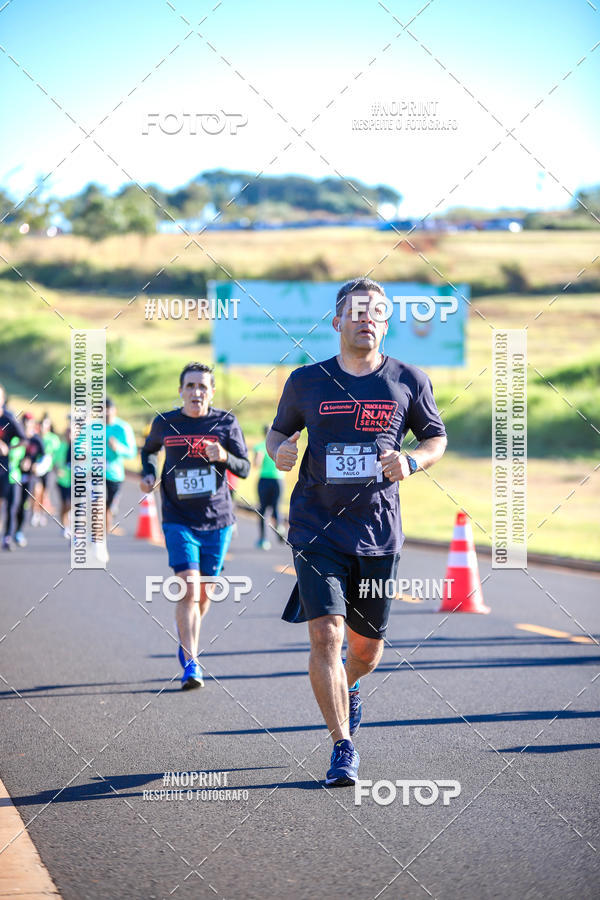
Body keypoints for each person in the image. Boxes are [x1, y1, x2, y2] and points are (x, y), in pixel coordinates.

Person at [267, 278, 447, 786]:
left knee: (366, 650)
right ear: (338, 321)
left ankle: (351, 687)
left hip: (377, 531)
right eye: (358, 311)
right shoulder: (306, 381)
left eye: (378, 312)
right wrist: (277, 450)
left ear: (386, 323)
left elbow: (436, 437)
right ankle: (342, 746)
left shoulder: (408, 379)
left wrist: (412, 461)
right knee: (326, 634)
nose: (368, 318)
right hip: (314, 527)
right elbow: (279, 430)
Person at [140, 362, 250, 689]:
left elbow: (243, 467)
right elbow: (148, 452)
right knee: (188, 587)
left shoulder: (226, 423)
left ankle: (186, 640)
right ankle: (192, 662)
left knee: (204, 594)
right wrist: (147, 472)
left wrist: (222, 457)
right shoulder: (165, 422)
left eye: (203, 387)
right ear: (180, 391)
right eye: (190, 386)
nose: (196, 392)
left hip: (218, 521)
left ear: (212, 392)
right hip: (178, 518)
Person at [5, 413, 46, 548]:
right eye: (24, 423)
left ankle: (19, 531)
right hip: (14, 476)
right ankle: (8, 534)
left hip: (30, 478)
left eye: (29, 423)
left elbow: (45, 457)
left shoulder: (36, 440)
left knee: (24, 505)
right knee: (13, 505)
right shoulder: (16, 439)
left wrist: (37, 466)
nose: (26, 425)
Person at [105, 398, 137, 535]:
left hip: (114, 474)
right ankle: (99, 537)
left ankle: (106, 523)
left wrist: (118, 448)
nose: (105, 412)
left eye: (108, 409)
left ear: (114, 411)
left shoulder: (123, 428)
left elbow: (132, 452)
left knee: (109, 508)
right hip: (95, 474)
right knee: (97, 507)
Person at [0, 387, 26, 551]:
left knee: (11, 506)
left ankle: (8, 536)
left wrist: (8, 448)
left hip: (7, 470)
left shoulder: (9, 419)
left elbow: (24, 440)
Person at [254, 424, 285, 550]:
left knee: (264, 510)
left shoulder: (261, 446)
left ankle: (264, 539)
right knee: (273, 508)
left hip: (267, 480)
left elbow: (256, 465)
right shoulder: (279, 445)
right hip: (276, 480)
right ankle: (278, 530)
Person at [32, 413, 60, 526]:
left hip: (48, 469)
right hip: (36, 469)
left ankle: (42, 513)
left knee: (45, 493)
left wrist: (56, 467)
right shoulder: (36, 437)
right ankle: (35, 512)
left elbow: (56, 454)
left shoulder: (53, 439)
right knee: (36, 491)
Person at [53, 424, 72, 538]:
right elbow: (54, 463)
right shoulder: (60, 447)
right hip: (63, 481)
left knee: (72, 504)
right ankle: (65, 526)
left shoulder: (79, 447)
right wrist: (57, 470)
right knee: (65, 504)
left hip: (75, 481)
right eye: (68, 433)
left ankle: (71, 524)